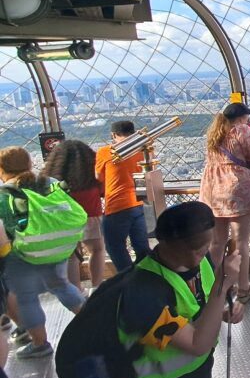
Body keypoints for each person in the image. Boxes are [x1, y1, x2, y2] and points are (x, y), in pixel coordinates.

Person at [117, 201, 244, 378]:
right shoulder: (143, 292)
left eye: (208, 246)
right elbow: (197, 343)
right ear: (168, 243)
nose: (205, 253)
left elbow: (203, 311)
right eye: (199, 249)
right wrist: (223, 287)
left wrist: (228, 310)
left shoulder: (198, 263)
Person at [0, 147, 86, 359]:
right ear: (29, 163)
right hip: (57, 248)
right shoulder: (48, 183)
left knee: (26, 299)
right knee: (62, 285)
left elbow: (8, 229)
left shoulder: (5, 193)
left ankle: (40, 343)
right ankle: (94, 320)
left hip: (23, 254)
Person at [199, 103, 250, 304]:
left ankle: (211, 288)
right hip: (237, 185)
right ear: (242, 117)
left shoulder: (215, 133)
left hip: (212, 188)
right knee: (241, 241)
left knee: (216, 242)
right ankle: (244, 288)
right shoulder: (242, 130)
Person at [44, 139, 106, 290]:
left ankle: (76, 290)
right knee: (97, 250)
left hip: (64, 219)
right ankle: (96, 286)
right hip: (91, 215)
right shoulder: (91, 178)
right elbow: (103, 191)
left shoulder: (53, 180)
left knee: (71, 255)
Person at [95, 119, 151, 271]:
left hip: (117, 204)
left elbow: (98, 178)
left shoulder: (107, 152)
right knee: (142, 247)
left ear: (113, 135)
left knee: (114, 246)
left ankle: (127, 276)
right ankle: (147, 275)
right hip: (139, 203)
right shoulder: (144, 149)